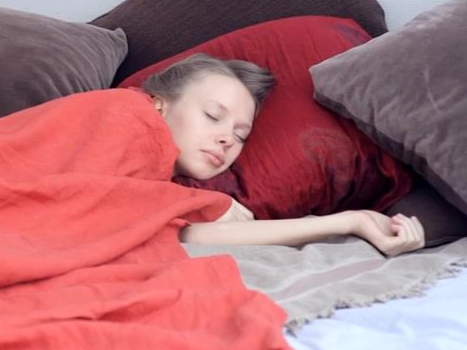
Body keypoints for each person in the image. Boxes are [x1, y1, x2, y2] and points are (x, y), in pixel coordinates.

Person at [143, 53, 425, 257]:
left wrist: (353, 221)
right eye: (213, 115)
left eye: (241, 135)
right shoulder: (127, 113)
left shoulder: (161, 188)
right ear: (158, 105)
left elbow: (190, 234)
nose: (227, 139)